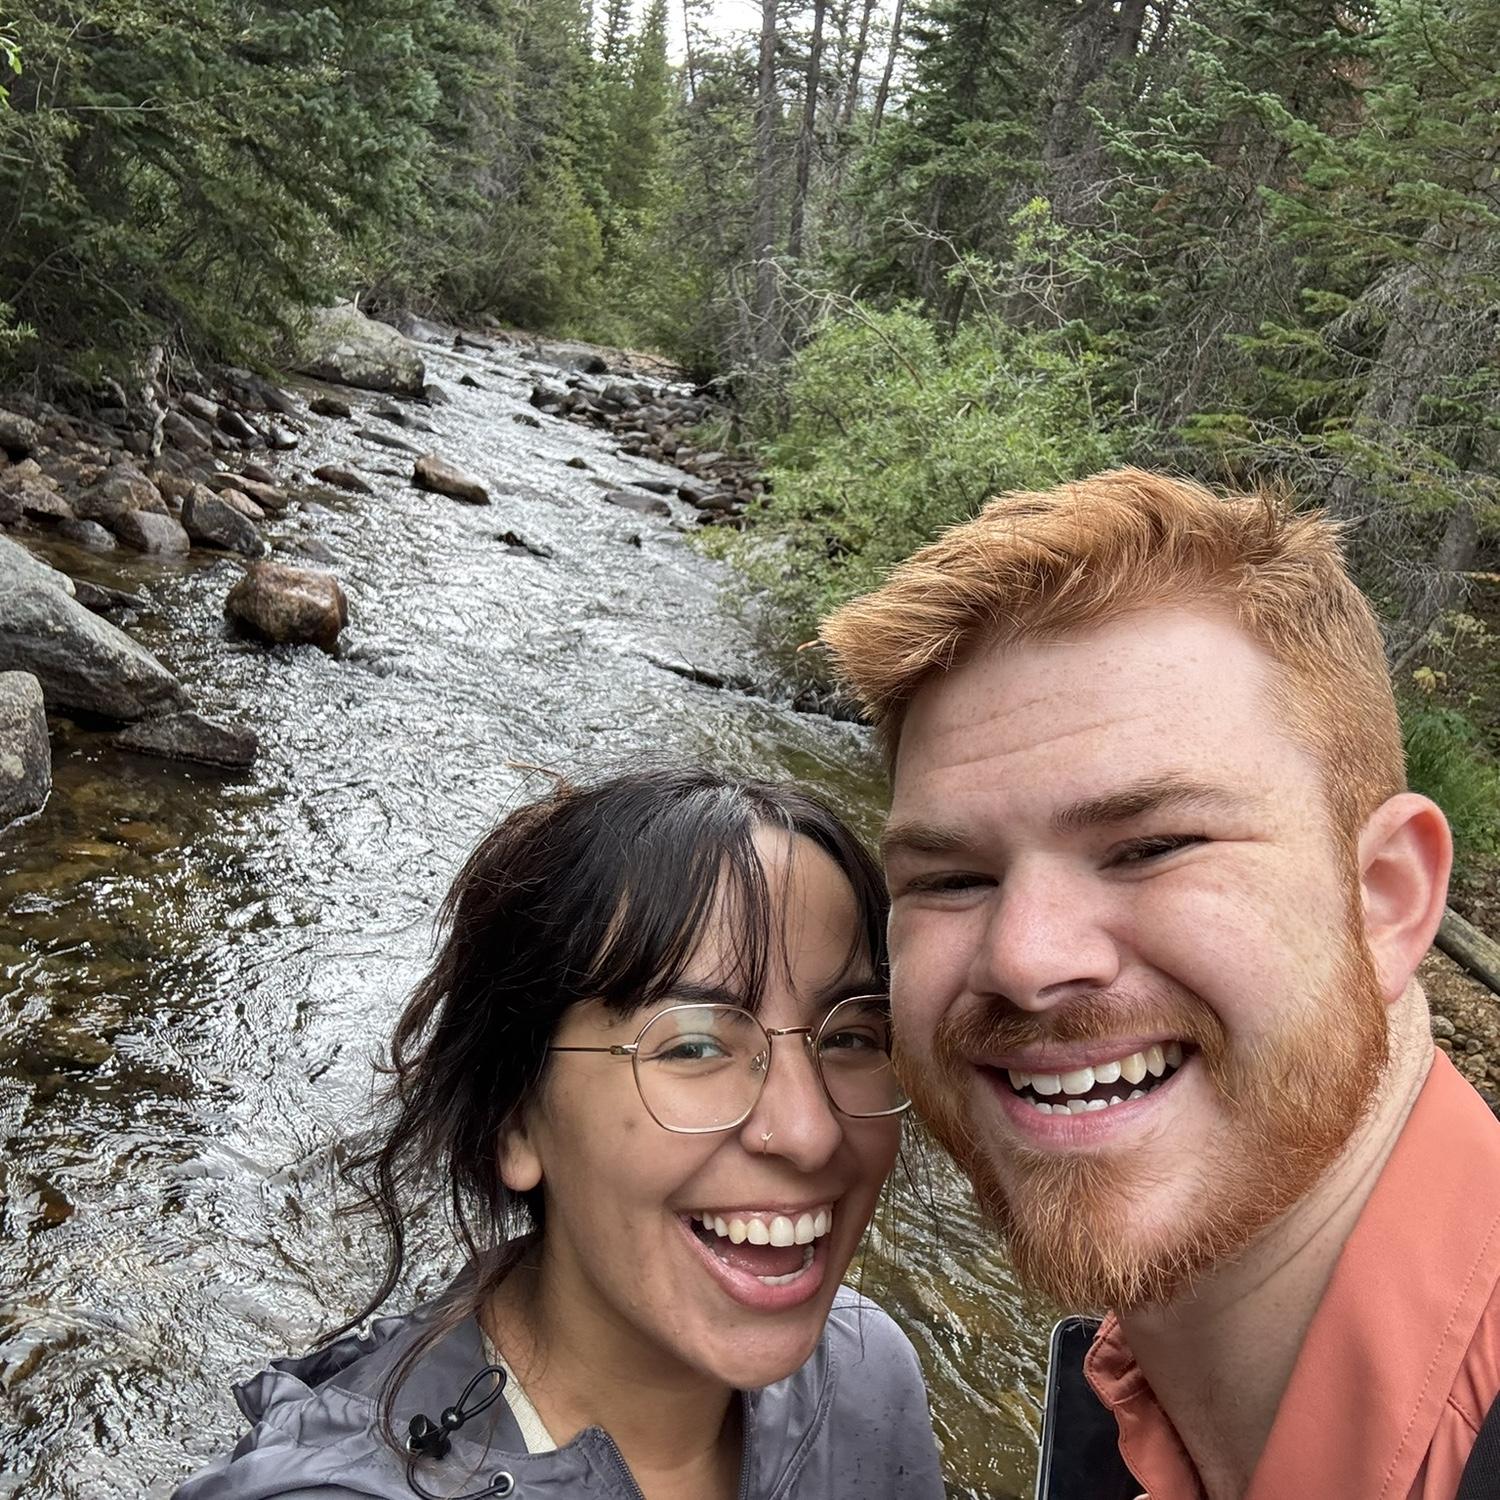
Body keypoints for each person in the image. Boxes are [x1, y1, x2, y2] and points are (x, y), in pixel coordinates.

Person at [819, 469, 1500, 1500]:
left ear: (1386, 899)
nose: (1025, 960)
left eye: (1151, 847)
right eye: (952, 879)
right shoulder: (1135, 1396)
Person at [176, 768, 944, 1500]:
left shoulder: (866, 1370)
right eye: (693, 1045)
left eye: (850, 1037)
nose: (810, 1132)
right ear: (515, 1116)